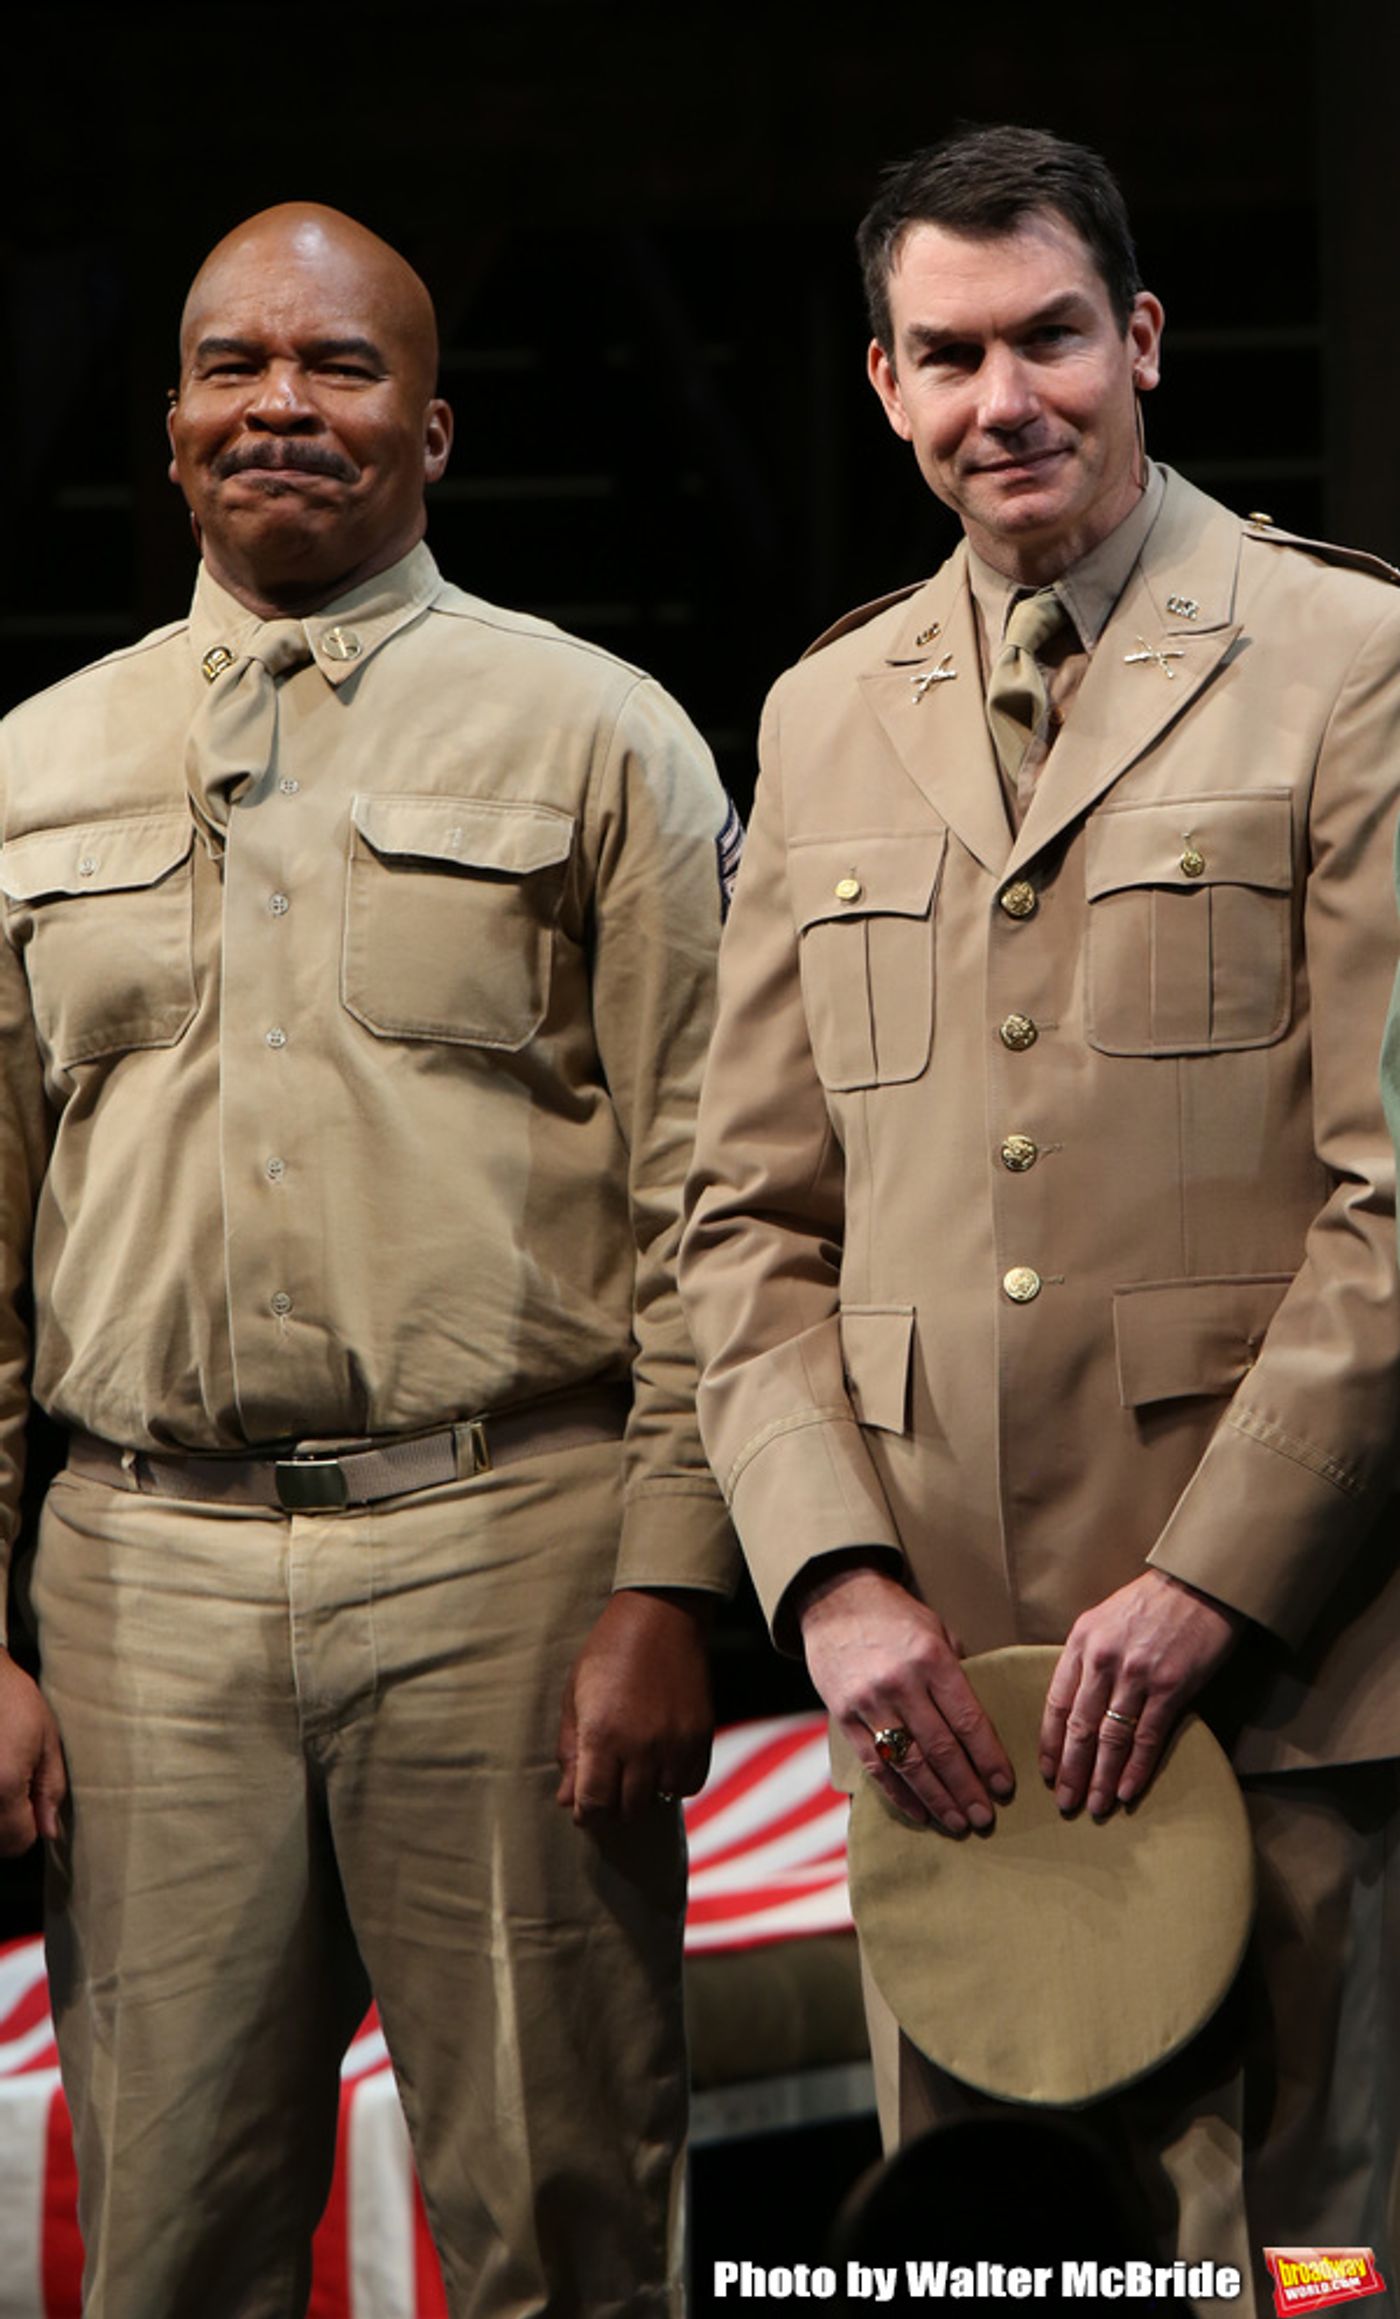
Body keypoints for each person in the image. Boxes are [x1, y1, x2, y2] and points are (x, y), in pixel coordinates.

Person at [680, 125, 1400, 2306]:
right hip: (945, 1709)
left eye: (1052, 337)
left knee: (1305, 2267)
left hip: (1280, 1680)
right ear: (882, 387)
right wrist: (828, 1581)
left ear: (1143, 341)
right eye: (949, 353)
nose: (1007, 398)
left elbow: (1394, 1202)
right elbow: (743, 1219)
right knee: (993, 2274)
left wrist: (1206, 1585)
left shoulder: (1348, 660)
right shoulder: (821, 713)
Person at [0, 202, 738, 2319]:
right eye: (235, 366)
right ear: (170, 429)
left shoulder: (602, 739)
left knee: (564, 2213)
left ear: (432, 428)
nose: (280, 406)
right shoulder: (33, 771)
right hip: (140, 1582)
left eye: (336, 370)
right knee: (168, 2231)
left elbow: (720, 1199)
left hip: (504, 1544)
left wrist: (669, 1578)